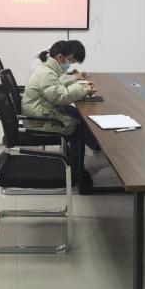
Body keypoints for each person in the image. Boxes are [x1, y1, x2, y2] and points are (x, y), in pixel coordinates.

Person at [22, 40, 99, 185]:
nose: (70, 63)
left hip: (42, 111)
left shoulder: (48, 69)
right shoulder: (46, 73)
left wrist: (79, 85)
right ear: (60, 57)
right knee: (77, 130)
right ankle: (76, 173)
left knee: (77, 122)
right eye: (70, 60)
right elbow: (61, 96)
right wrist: (83, 91)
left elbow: (59, 85)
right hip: (38, 119)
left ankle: (78, 162)